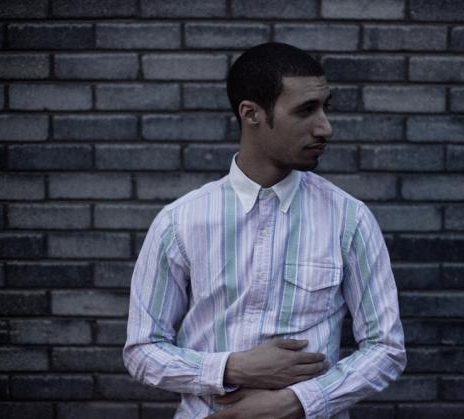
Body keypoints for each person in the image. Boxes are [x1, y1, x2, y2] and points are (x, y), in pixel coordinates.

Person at [123, 42, 406, 419]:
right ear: (251, 113)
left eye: (325, 107)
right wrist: (231, 368)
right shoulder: (180, 222)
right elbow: (142, 351)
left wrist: (299, 401)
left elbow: (386, 349)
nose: (325, 127)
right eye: (305, 110)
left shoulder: (348, 218)